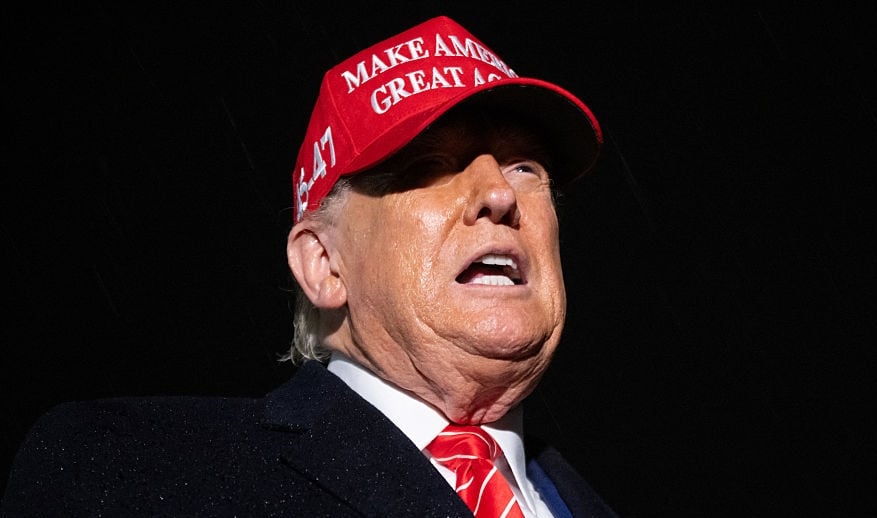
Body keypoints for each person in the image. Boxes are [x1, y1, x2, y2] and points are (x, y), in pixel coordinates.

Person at [1, 15, 617, 517]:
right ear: (324, 264)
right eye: (430, 164)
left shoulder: (590, 501)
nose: (500, 195)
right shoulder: (134, 471)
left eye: (525, 168)